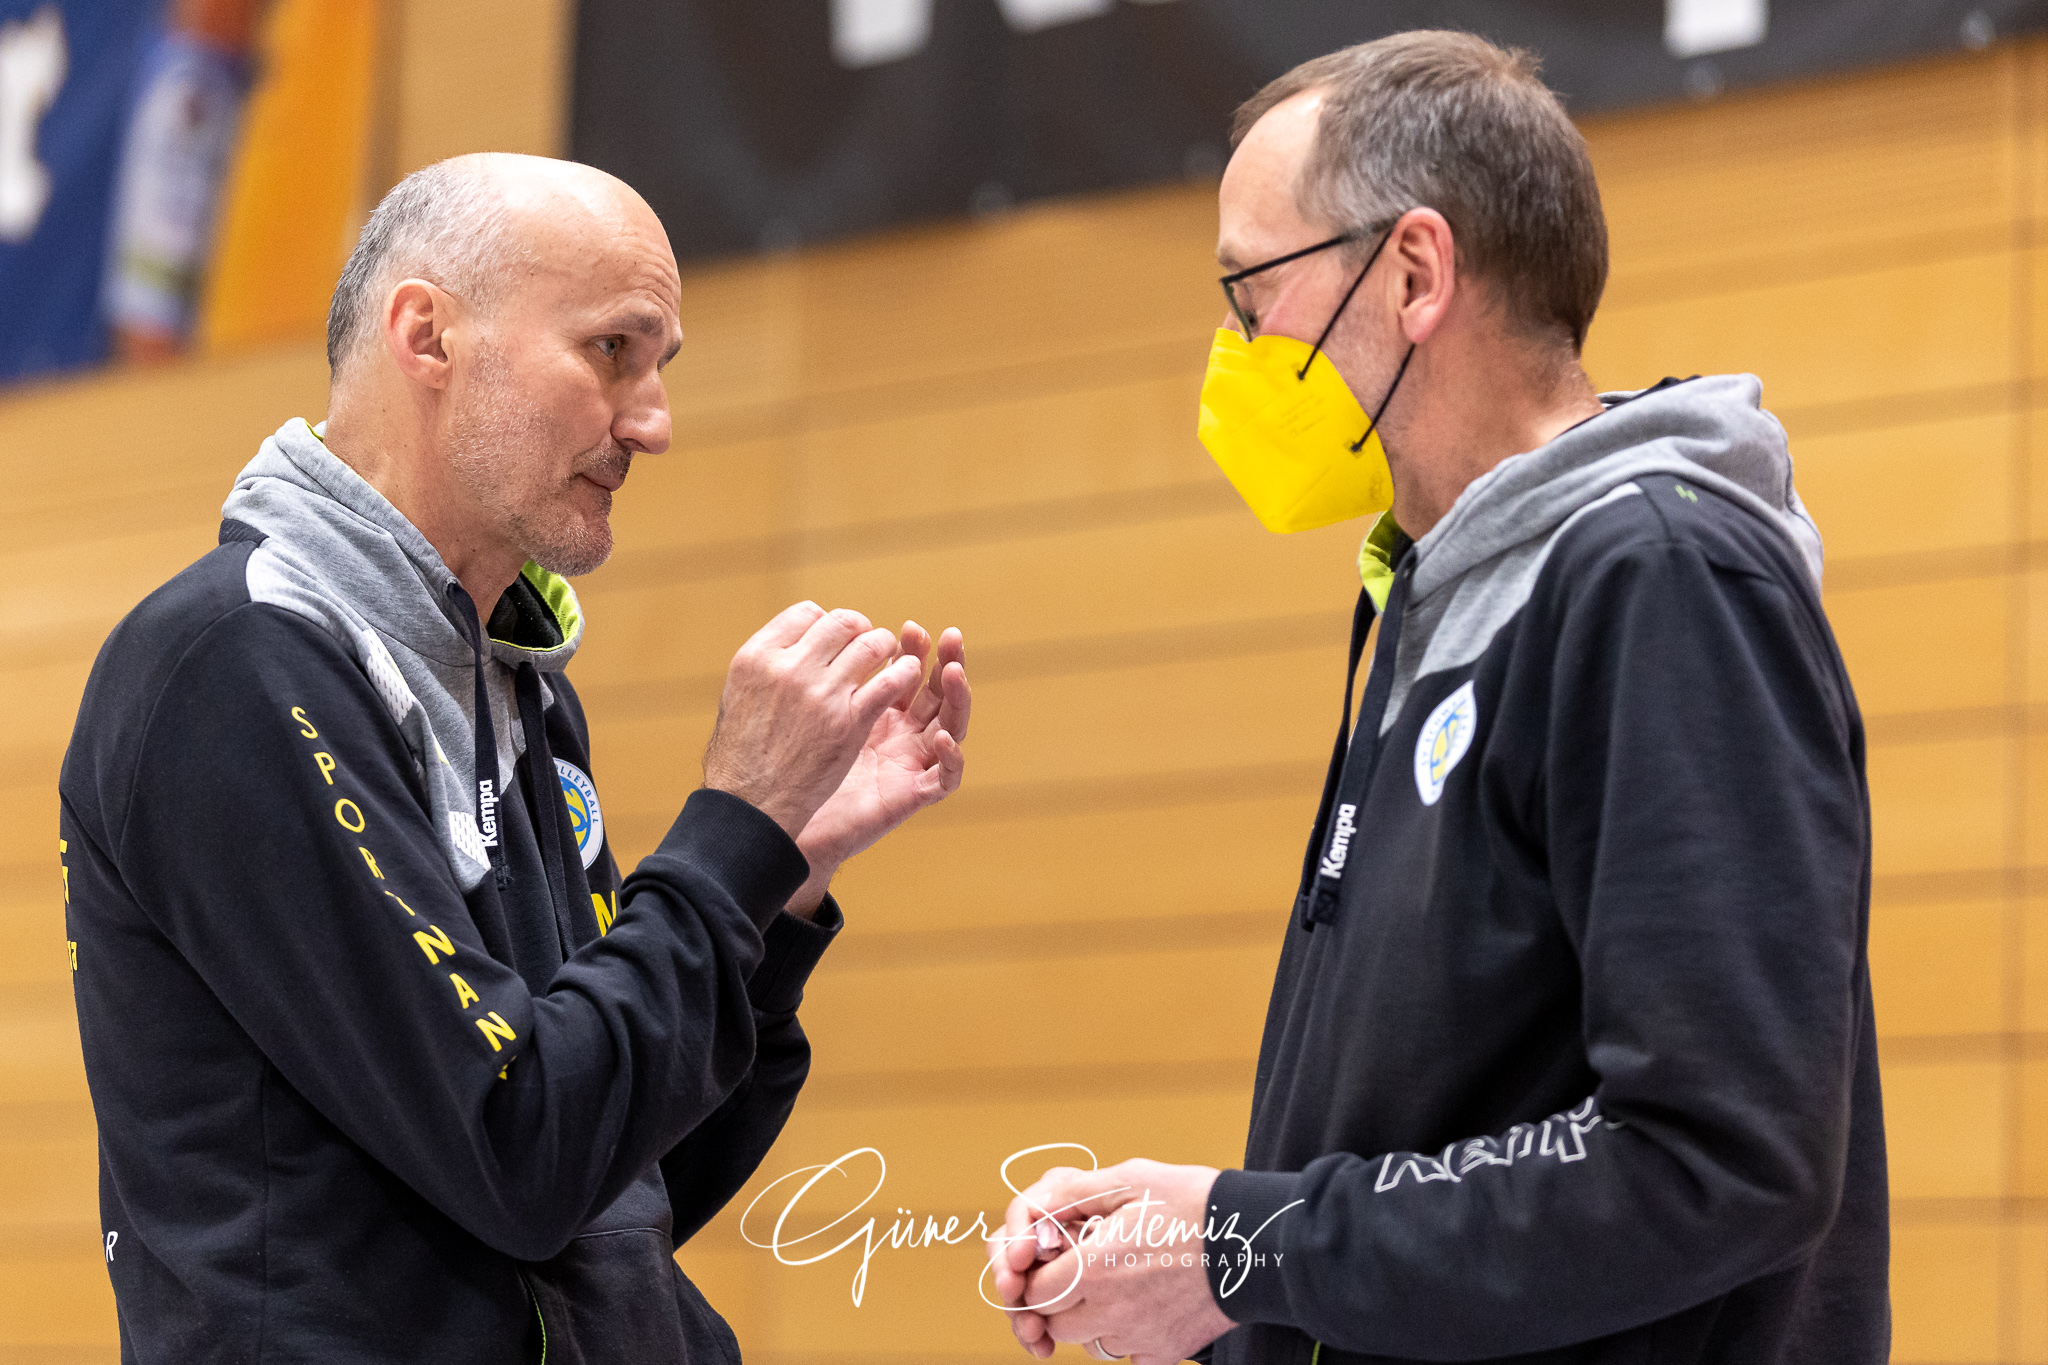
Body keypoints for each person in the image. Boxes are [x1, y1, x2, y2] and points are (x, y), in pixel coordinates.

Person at [990, 31, 1884, 1365]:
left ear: (1415, 272)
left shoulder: (1660, 575)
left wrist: (1243, 1247)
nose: (1235, 354)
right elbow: (1438, 1132)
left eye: (1254, 294)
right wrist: (1185, 1273)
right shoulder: (1426, 591)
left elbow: (1718, 1160)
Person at [59, 152, 970, 1363]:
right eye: (611, 352)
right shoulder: (238, 663)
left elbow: (624, 1180)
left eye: (660, 368)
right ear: (425, 335)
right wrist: (727, 830)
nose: (651, 422)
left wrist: (779, 875)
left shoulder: (516, 682)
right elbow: (520, 1153)